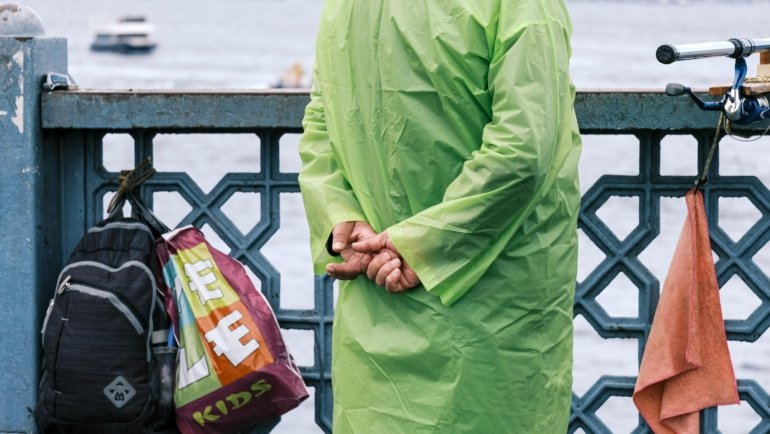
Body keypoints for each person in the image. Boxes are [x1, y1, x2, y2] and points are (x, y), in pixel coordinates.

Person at [298, 0, 581, 432]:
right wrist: (419, 245)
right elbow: (523, 151)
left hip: (373, 301)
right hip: (491, 313)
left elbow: (320, 122)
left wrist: (342, 216)